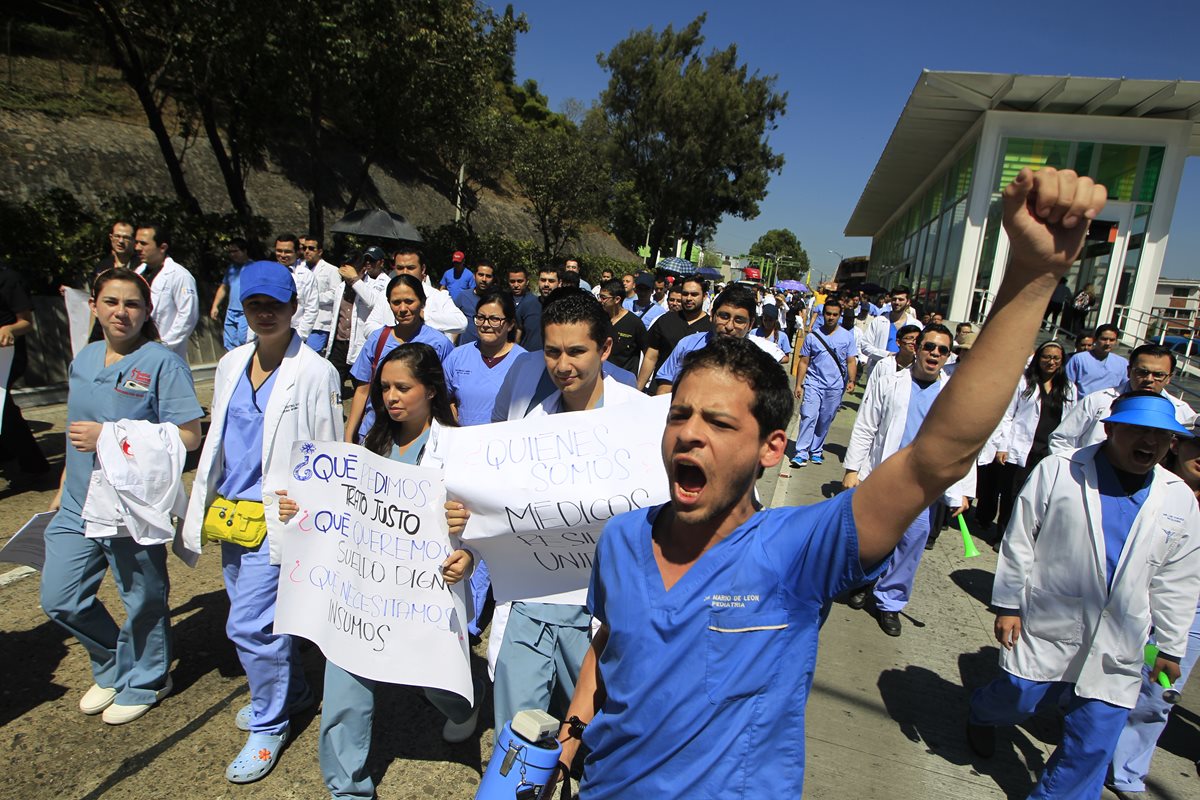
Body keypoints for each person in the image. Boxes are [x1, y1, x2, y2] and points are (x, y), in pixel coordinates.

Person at [554, 166, 1110, 798]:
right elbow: (609, 643)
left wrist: (1033, 279)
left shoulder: (796, 552)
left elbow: (939, 457)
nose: (689, 433)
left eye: (717, 421)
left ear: (771, 449)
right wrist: (569, 743)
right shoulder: (623, 539)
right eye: (679, 415)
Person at [966, 392, 1200, 800]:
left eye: (1161, 436)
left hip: (1121, 640)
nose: (1149, 442)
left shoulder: (1177, 496)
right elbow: (1020, 537)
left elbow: (1177, 580)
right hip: (1050, 619)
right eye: (1137, 430)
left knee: (1092, 744)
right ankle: (982, 713)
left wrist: (1170, 647)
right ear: (1110, 429)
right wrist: (1007, 604)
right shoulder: (1060, 470)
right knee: (1017, 700)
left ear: (1172, 444)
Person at [278, 342, 479, 798]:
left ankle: (466, 702)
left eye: (403, 387)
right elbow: (338, 507)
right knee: (345, 685)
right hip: (359, 592)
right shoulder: (372, 442)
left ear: (430, 390)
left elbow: (484, 525)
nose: (390, 396)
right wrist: (301, 508)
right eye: (385, 387)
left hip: (423, 592)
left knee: (433, 679)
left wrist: (468, 554)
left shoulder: (457, 448)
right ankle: (347, 788)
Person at [447, 289, 646, 735]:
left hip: (601, 613)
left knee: (595, 741)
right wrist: (472, 543)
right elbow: (503, 511)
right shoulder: (530, 428)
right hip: (530, 603)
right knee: (518, 739)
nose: (562, 365)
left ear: (606, 348)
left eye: (577, 351)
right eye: (553, 352)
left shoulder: (641, 421)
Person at [182, 260, 343, 783]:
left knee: (249, 625)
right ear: (243, 309)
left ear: (295, 307)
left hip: (281, 517)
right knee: (258, 620)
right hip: (233, 516)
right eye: (255, 305)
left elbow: (329, 451)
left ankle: (270, 723)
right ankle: (292, 691)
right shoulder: (231, 364)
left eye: (275, 304)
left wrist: (318, 516)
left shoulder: (316, 372)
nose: (265, 313)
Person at [41, 268, 203, 726]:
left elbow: (189, 436)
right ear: (93, 306)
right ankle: (114, 664)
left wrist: (110, 436)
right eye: (111, 302)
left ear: (146, 311)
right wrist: (61, 487)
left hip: (130, 503)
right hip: (76, 497)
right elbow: (76, 434)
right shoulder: (86, 359)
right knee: (61, 596)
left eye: (132, 304)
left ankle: (149, 678)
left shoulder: (161, 363)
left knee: (143, 597)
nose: (121, 312)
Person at [842, 323, 972, 636]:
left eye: (942, 350)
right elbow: (866, 425)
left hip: (924, 486)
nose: (935, 354)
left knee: (913, 541)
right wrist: (852, 469)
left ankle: (890, 601)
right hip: (885, 475)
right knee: (873, 537)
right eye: (929, 347)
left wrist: (963, 490)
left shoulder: (953, 394)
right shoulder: (890, 381)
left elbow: (963, 445)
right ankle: (864, 581)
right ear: (917, 348)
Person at [1107, 418, 1200, 794]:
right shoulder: (1146, 481)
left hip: (1191, 611)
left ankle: (1127, 770)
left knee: (1158, 692)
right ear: (1178, 445)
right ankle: (1091, 741)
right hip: (1135, 595)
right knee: (1112, 676)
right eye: (1199, 446)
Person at [344, 274, 454, 443]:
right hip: (374, 433)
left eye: (409, 301)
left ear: (423, 302)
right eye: (396, 302)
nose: (403, 308)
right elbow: (362, 389)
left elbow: (445, 396)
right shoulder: (377, 339)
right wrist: (349, 436)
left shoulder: (440, 344)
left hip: (419, 437)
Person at [985, 340, 1077, 539]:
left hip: (1049, 450)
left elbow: (1071, 422)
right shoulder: (1024, 382)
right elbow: (1007, 415)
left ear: (1061, 362)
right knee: (1012, 493)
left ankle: (1025, 536)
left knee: (1039, 496)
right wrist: (1002, 446)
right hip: (1021, 446)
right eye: (1046, 357)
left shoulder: (1068, 388)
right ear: (1038, 358)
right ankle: (1004, 535)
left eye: (1055, 358)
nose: (1050, 362)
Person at [1050, 343, 1196, 454]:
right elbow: (1061, 440)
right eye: (1142, 372)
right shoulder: (1097, 401)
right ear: (1128, 371)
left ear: (1169, 378)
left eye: (1158, 374)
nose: (1149, 379)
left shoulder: (1182, 412)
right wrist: (1077, 472)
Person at [653, 284, 784, 394]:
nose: (729, 326)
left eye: (739, 320)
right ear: (712, 315)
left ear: (750, 324)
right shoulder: (687, 345)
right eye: (724, 316)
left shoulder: (758, 362)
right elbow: (665, 384)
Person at [791, 297, 857, 468]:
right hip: (814, 383)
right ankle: (801, 452)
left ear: (840, 316)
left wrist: (851, 380)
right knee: (809, 415)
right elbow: (804, 362)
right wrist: (799, 384)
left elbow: (851, 361)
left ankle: (816, 449)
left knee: (825, 419)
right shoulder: (813, 337)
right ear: (823, 314)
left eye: (835, 314)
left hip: (835, 387)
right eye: (828, 314)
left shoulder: (847, 337)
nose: (831, 317)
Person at [0, 261, 51, 476]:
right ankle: (21, 460)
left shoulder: (9, 279)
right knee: (5, 410)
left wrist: (8, 328)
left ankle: (33, 465)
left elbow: (26, 322)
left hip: (8, 356)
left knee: (3, 407)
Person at [325, 247, 391, 394]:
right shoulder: (341, 287)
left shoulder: (372, 285)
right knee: (332, 386)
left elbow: (373, 301)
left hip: (359, 346)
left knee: (362, 388)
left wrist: (355, 280)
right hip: (339, 344)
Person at [133, 224, 198, 361]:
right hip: (137, 349)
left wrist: (164, 345)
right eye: (136, 242)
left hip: (166, 351)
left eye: (143, 243)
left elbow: (187, 316)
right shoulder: (137, 274)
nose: (137, 248)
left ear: (162, 247)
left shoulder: (180, 276)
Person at [636, 276, 712, 391]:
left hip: (691, 394)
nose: (689, 298)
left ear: (704, 296)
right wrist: (638, 389)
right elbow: (650, 357)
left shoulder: (711, 327)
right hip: (659, 391)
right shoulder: (665, 320)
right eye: (685, 294)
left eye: (694, 294)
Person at [391, 247, 467, 341]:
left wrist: (425, 316)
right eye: (400, 268)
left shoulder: (439, 297)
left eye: (410, 268)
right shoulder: (384, 295)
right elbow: (369, 326)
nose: (405, 272)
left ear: (422, 269)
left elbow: (461, 323)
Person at [298, 234, 342, 354]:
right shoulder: (298, 268)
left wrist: (313, 298)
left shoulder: (331, 270)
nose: (307, 251)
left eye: (311, 248)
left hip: (320, 323)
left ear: (320, 251)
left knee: (310, 354)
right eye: (305, 248)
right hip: (300, 320)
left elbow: (335, 293)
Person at [275, 234, 320, 343]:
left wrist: (300, 336)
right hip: (270, 331)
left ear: (297, 252)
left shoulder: (306, 275)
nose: (283, 255)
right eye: (279, 251)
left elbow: (311, 308)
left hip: (294, 333)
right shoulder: (268, 272)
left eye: (287, 252)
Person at [861, 285, 918, 370]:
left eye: (901, 299)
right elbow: (864, 346)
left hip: (906, 370)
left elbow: (919, 349)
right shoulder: (879, 321)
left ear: (908, 302)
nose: (897, 302)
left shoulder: (916, 324)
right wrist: (887, 355)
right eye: (894, 299)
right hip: (880, 368)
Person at [598, 278, 647, 374]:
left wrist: (639, 384)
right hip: (600, 378)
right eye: (599, 297)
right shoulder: (599, 319)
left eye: (604, 298)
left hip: (624, 381)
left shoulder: (634, 323)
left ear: (617, 299)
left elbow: (649, 356)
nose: (600, 301)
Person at [211, 238, 252, 351]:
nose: (232, 254)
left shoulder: (253, 267)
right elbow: (224, 287)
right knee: (229, 344)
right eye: (230, 252)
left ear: (245, 251)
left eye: (235, 251)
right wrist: (215, 306)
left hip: (245, 312)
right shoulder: (231, 268)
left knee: (244, 342)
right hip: (231, 312)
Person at [1065, 323, 1128, 396]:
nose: (1107, 343)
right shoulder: (1079, 359)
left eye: (1112, 340)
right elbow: (1067, 386)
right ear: (1095, 340)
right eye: (1104, 339)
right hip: (1083, 405)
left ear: (1116, 341)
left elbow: (1125, 387)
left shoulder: (1122, 363)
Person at [452, 261, 497, 345]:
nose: (484, 279)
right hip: (465, 351)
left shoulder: (497, 301)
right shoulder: (463, 296)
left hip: (490, 350)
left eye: (488, 276)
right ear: (474, 276)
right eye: (481, 275)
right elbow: (454, 325)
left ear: (493, 278)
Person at [509, 265, 543, 353]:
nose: (516, 285)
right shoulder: (503, 301)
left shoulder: (535, 303)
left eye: (520, 281)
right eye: (512, 281)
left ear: (527, 282)